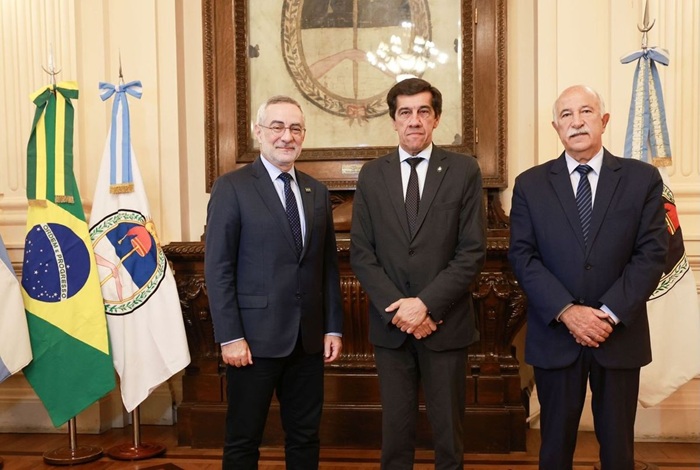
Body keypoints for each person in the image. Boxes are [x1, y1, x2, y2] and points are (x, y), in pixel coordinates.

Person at [508, 85, 669, 470]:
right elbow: (523, 256)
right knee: (554, 449)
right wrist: (568, 312)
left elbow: (652, 254)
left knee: (618, 452)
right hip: (556, 335)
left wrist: (608, 314)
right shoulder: (530, 184)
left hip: (618, 335)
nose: (576, 122)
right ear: (555, 127)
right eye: (566, 115)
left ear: (604, 120)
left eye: (586, 112)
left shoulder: (642, 179)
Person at [350, 77, 486, 469]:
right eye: (405, 112)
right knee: (395, 435)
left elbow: (471, 252)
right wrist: (402, 311)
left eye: (423, 111)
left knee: (449, 437)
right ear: (394, 120)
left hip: (446, 324)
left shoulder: (463, 170)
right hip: (392, 329)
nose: (414, 120)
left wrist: (425, 306)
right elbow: (362, 254)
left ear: (436, 118)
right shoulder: (372, 175)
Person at [205, 95, 343, 470]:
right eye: (277, 127)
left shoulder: (316, 191)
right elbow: (218, 268)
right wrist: (230, 337)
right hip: (252, 342)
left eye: (295, 128)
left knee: (305, 437)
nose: (287, 136)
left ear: (303, 135)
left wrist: (332, 327)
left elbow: (327, 267)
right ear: (259, 131)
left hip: (308, 341)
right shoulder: (231, 187)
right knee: (243, 439)